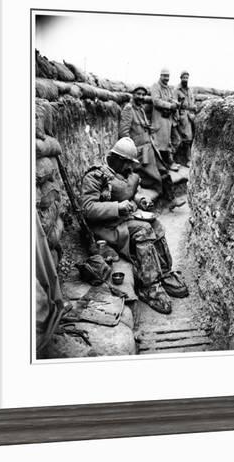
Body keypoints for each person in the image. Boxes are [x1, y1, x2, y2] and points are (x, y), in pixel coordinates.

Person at [80, 137, 189, 314]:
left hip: (124, 220)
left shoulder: (124, 172)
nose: (131, 168)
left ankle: (164, 272)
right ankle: (149, 285)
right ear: (119, 160)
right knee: (144, 230)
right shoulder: (95, 176)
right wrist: (117, 207)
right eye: (128, 163)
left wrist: (141, 200)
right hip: (106, 228)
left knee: (156, 225)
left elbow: (132, 193)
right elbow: (87, 208)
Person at [119, 85, 167, 196]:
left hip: (149, 147)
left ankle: (170, 199)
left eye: (143, 94)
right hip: (139, 152)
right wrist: (132, 152)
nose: (141, 97)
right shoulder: (129, 109)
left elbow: (143, 126)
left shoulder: (141, 109)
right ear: (133, 94)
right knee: (154, 175)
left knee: (163, 170)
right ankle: (163, 199)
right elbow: (123, 134)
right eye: (138, 94)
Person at [150, 68, 180, 172]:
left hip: (168, 119)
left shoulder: (168, 88)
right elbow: (156, 101)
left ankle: (168, 162)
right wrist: (169, 105)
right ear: (160, 76)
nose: (166, 78)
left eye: (168, 76)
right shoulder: (155, 86)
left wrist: (175, 103)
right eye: (164, 76)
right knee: (159, 143)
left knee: (168, 142)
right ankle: (161, 165)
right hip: (159, 118)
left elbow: (170, 98)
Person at [173, 70, 197, 167]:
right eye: (184, 77)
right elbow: (175, 104)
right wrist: (177, 117)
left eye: (187, 78)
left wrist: (193, 109)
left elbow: (192, 101)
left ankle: (187, 158)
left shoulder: (190, 90)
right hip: (182, 116)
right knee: (187, 138)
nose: (185, 79)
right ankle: (187, 159)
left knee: (191, 137)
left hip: (191, 115)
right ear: (180, 78)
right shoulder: (177, 90)